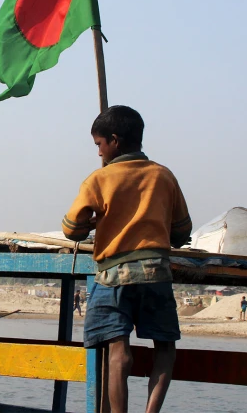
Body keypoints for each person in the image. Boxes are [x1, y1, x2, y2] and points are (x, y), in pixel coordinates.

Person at [62, 106, 192, 413]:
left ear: (115, 141)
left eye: (99, 144)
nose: (98, 152)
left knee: (117, 353)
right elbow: (182, 231)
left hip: (113, 276)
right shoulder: (163, 176)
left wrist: (92, 223)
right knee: (165, 350)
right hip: (156, 273)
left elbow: (71, 228)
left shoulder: (100, 179)